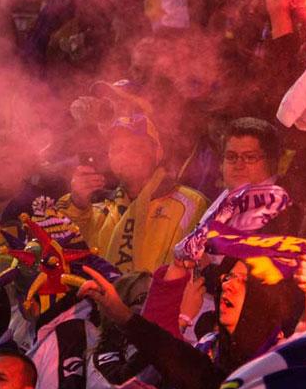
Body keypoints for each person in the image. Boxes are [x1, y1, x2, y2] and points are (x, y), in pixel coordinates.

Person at [63, 114, 209, 273]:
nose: (126, 155)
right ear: (110, 158)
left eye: (137, 147)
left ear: (158, 153)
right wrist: (77, 202)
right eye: (118, 149)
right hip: (104, 298)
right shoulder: (96, 210)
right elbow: (62, 244)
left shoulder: (191, 204)